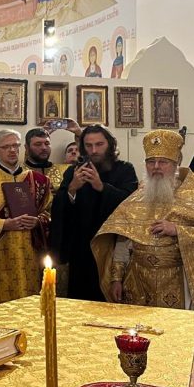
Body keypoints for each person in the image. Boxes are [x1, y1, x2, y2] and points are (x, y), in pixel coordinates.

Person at [92, 130, 194, 309]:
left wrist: (177, 230)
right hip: (137, 280)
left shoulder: (191, 196)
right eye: (151, 162)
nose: (156, 166)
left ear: (176, 164)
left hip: (175, 280)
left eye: (163, 162)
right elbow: (123, 239)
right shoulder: (137, 197)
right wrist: (116, 279)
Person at [50, 125, 138, 300]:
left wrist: (101, 187)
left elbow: (131, 206)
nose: (94, 150)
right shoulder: (73, 171)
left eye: (99, 144)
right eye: (89, 145)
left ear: (110, 144)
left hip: (111, 248)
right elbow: (59, 208)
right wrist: (72, 189)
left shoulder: (125, 169)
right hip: (80, 249)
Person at [0, 130, 52, 304]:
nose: (12, 150)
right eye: (6, 147)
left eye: (15, 146)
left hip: (30, 253)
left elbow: (48, 213)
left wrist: (37, 222)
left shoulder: (38, 180)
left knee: (30, 301)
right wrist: (4, 224)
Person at [24, 128, 67, 193]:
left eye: (47, 144)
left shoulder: (64, 170)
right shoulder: (19, 172)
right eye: (38, 144)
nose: (44, 148)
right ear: (27, 147)